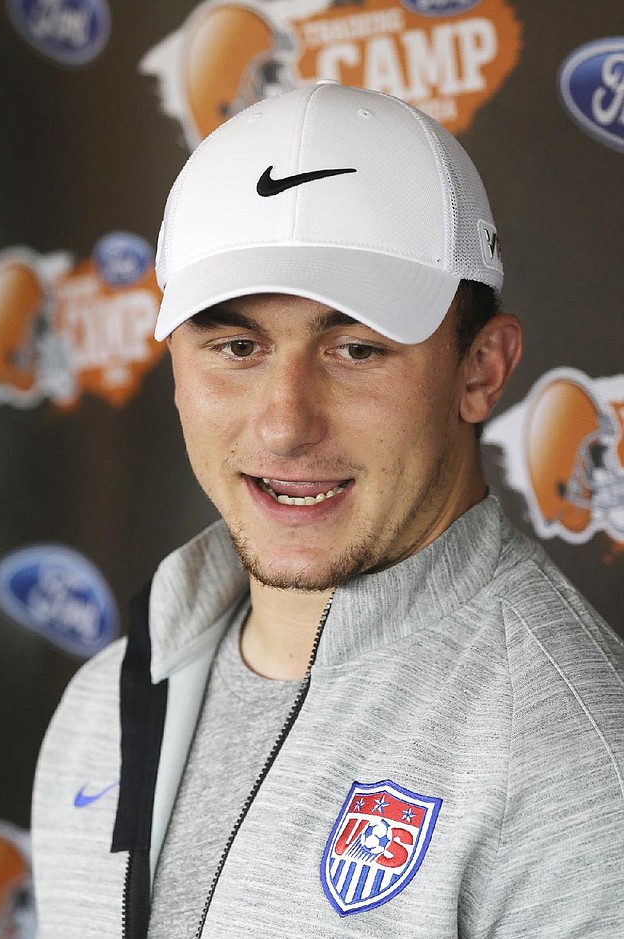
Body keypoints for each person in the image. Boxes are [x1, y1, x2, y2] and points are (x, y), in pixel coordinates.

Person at [31, 82, 624, 938]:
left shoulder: (574, 765)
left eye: (355, 349)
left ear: (481, 369)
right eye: (236, 347)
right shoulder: (101, 707)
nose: (284, 423)